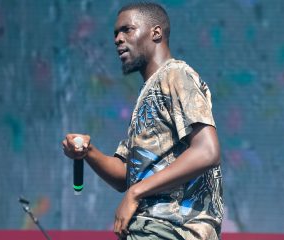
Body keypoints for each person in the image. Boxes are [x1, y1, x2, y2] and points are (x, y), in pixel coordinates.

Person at [62, 2, 223, 239]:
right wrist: (88, 152)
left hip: (173, 229)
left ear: (156, 33)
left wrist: (135, 193)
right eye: (115, 33)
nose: (118, 39)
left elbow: (207, 151)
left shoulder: (176, 74)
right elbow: (124, 176)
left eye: (127, 30)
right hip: (149, 228)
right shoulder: (146, 96)